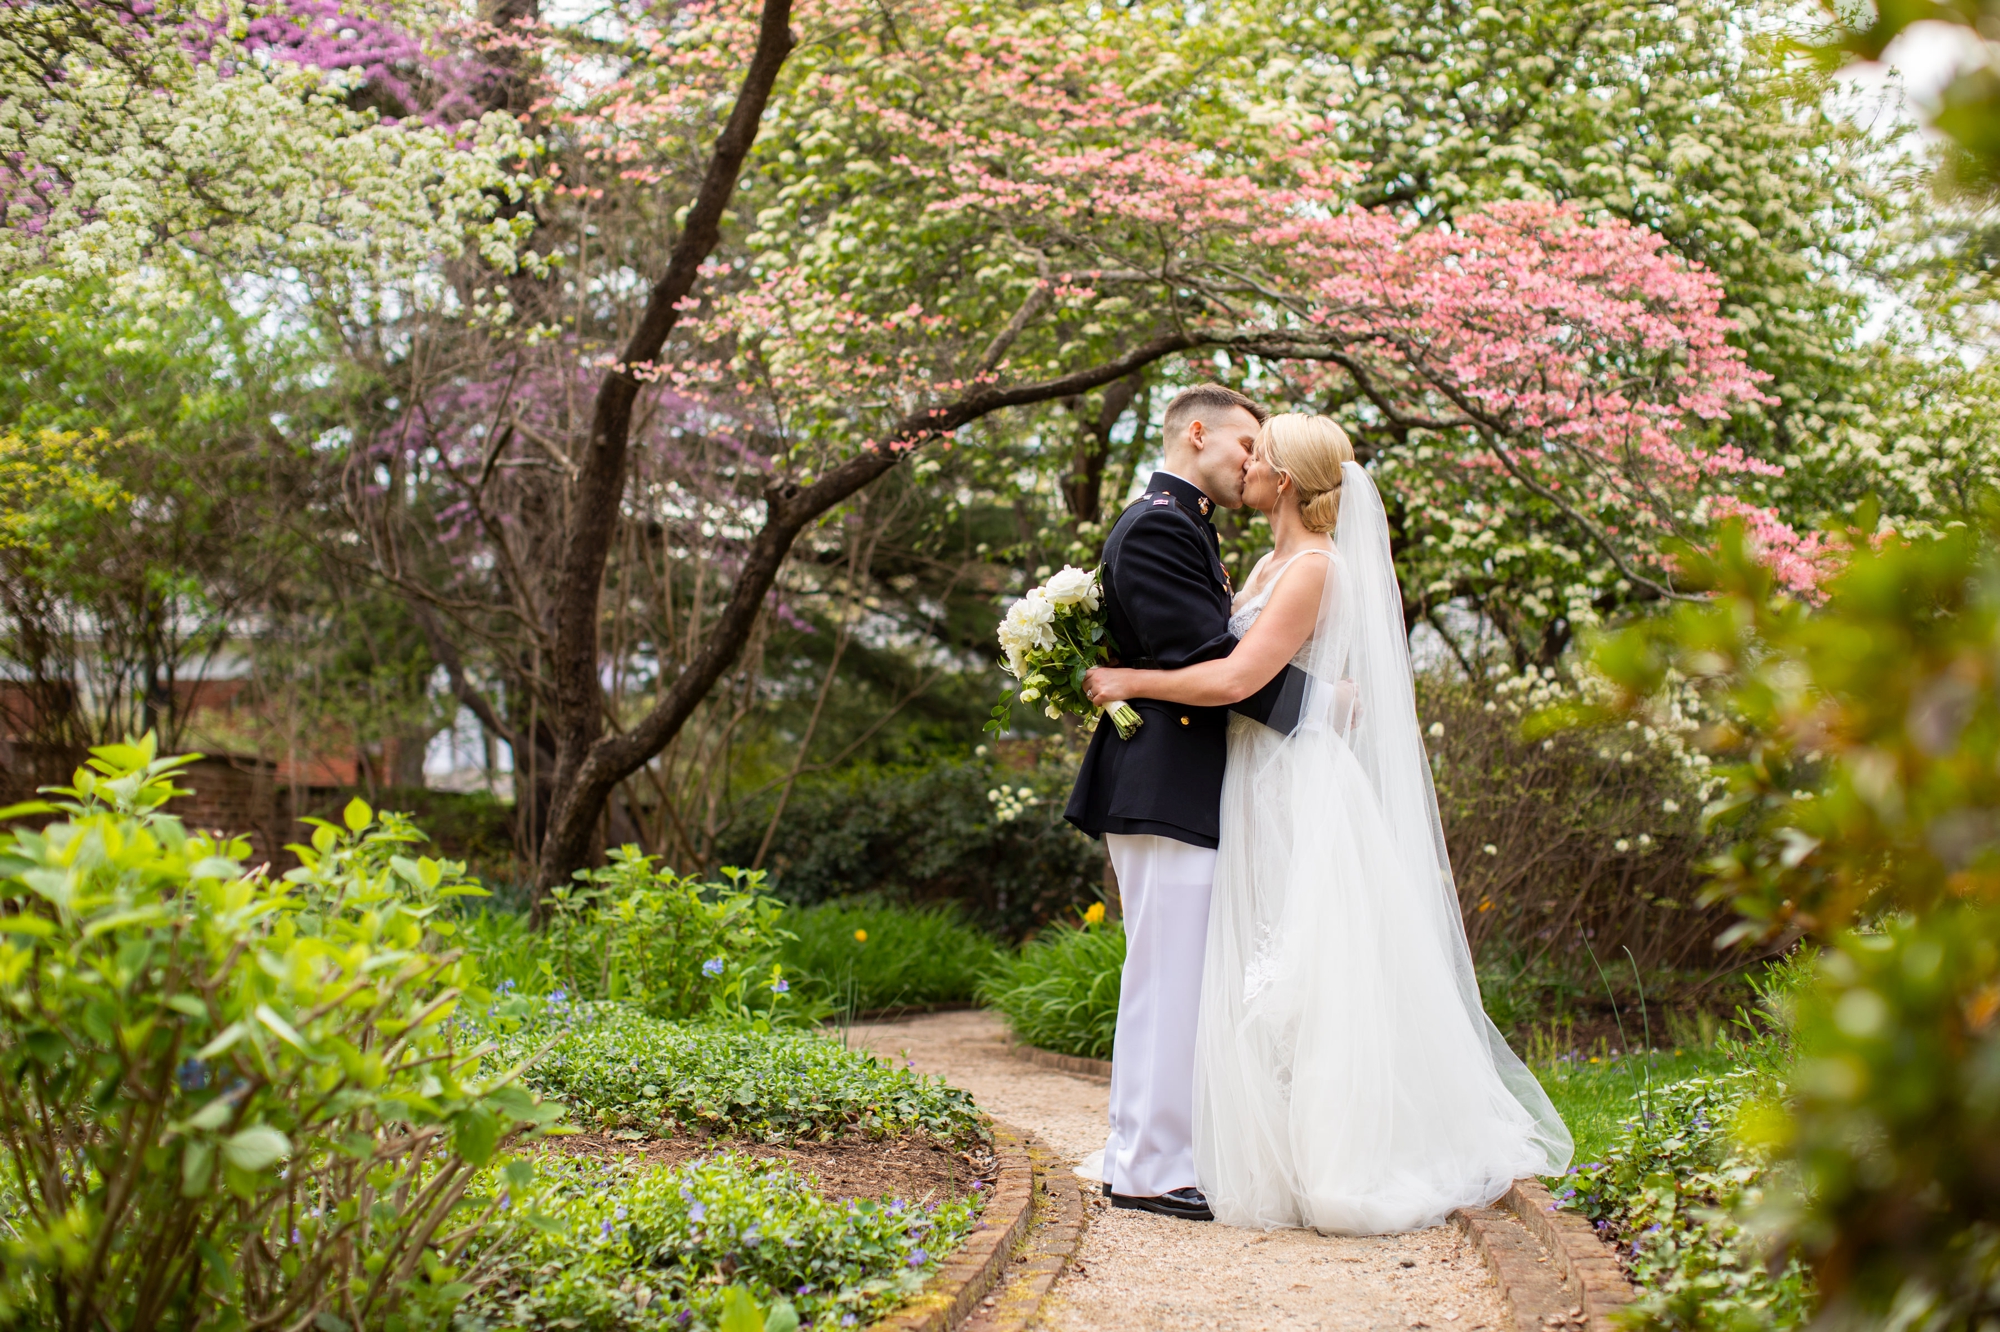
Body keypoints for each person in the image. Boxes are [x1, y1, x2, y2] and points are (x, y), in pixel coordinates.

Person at [1083, 412, 1572, 1234]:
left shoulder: (1312, 565)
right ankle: (1205, 1150)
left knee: (1302, 971)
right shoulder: (1259, 556)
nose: (1247, 465)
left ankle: (1314, 1153)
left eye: (1259, 455)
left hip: (1287, 783)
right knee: (1242, 969)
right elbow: (1224, 658)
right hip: (1244, 777)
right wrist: (1316, 699)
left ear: (1287, 480)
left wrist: (1127, 678)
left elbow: (1235, 674)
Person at [1062, 384, 1309, 1222]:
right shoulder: (1163, 525)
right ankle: (1149, 1168)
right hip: (1163, 782)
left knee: (1173, 976)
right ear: (1195, 432)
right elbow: (1207, 661)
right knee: (1167, 980)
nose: (1253, 461)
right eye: (1245, 444)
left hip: (1173, 782)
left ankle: (1155, 1152)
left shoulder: (1184, 523)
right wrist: (1324, 716)